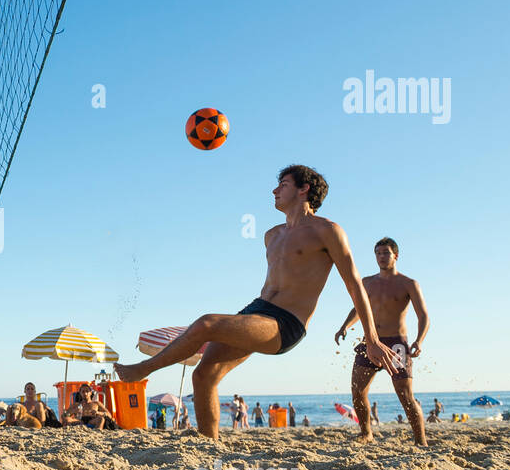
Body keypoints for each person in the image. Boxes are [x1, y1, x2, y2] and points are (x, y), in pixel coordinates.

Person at [115, 165, 398, 439]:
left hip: (286, 322)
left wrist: (371, 338)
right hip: (257, 311)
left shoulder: (328, 230)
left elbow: (354, 285)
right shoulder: (272, 235)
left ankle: (144, 368)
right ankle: (209, 446)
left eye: (283, 185)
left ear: (304, 189)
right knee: (203, 377)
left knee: (207, 323)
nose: (274, 190)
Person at [334, 237, 431, 446]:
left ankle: (421, 441)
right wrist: (345, 326)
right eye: (378, 253)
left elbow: (424, 316)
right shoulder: (367, 283)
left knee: (405, 396)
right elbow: (358, 309)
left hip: (396, 344)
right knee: (357, 392)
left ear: (395, 256)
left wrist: (419, 341)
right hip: (370, 342)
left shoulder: (408, 284)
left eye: (386, 253)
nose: (381, 257)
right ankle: (366, 433)